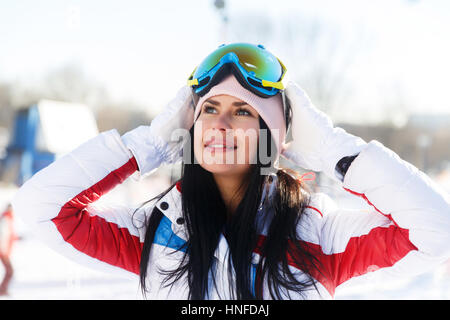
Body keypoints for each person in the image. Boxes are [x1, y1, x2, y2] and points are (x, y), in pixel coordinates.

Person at [11, 43, 450, 300]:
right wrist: (147, 145)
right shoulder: (152, 233)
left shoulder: (319, 238)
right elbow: (39, 206)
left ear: (270, 136)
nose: (219, 124)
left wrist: (337, 151)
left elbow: (437, 233)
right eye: (210, 109)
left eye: (242, 111)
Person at [0, 204, 15, 296]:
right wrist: (3, 249)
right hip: (3, 250)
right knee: (10, 271)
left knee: (9, 270)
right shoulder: (5, 218)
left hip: (5, 250)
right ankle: (2, 290)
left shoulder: (8, 218)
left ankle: (2, 290)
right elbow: (3, 235)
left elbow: (9, 234)